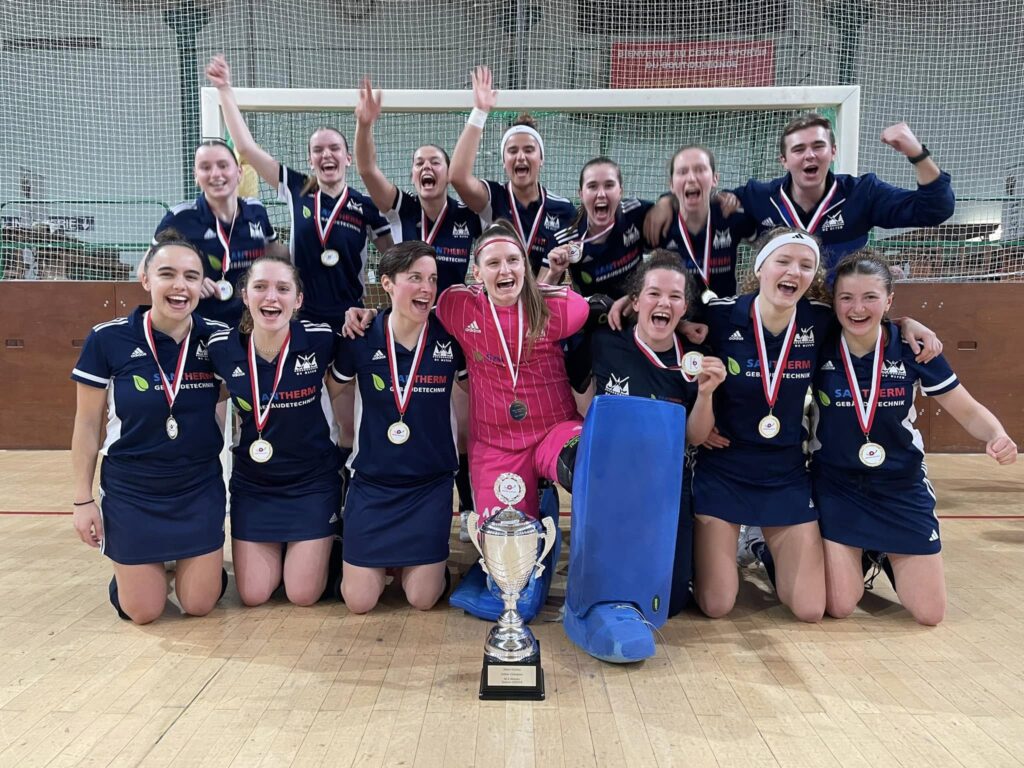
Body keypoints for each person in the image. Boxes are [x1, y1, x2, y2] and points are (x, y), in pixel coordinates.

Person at [811, 251, 1017, 625]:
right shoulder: (819, 344)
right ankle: (860, 551)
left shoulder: (912, 349)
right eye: (847, 298)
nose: (858, 308)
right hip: (838, 485)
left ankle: (883, 551)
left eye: (870, 297)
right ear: (834, 301)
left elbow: (967, 410)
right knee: (839, 606)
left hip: (900, 485)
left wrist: (996, 434)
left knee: (929, 614)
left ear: (889, 300)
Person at [206, 54, 392, 453]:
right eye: (318, 150)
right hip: (298, 319)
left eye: (334, 148)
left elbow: (394, 259)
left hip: (347, 321)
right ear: (310, 159)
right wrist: (225, 90)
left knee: (346, 423)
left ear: (347, 157)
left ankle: (342, 485)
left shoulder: (364, 206)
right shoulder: (297, 188)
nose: (326, 155)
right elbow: (246, 147)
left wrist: (384, 308)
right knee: (292, 412)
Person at [70, 232, 227, 624]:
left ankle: (194, 566)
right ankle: (132, 573)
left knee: (199, 604)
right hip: (133, 488)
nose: (180, 286)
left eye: (191, 277)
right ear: (146, 279)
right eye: (167, 274)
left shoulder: (217, 337)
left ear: (202, 285)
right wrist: (82, 501)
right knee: (143, 612)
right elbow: (87, 424)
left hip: (197, 485)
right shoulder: (108, 338)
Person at [353, 78, 480, 539]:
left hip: (452, 329)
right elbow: (366, 168)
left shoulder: (467, 216)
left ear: (446, 173)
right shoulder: (400, 208)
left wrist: (478, 113)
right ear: (412, 176)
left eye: (435, 162)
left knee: (461, 425)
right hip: (406, 328)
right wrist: (365, 125)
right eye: (419, 162)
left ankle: (469, 507)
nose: (427, 167)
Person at [587, 251, 726, 616]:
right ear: (635, 301)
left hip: (668, 489)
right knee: (609, 589)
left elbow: (696, 437)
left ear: (684, 308)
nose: (664, 302)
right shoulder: (605, 342)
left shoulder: (697, 359)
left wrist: (706, 393)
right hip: (613, 487)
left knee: (670, 602)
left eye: (675, 296)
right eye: (654, 293)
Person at [330, 242, 464, 612]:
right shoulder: (360, 337)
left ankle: (423, 566)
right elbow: (328, 389)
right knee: (359, 601)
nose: (427, 288)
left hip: (429, 485)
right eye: (415, 278)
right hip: (373, 484)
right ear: (387, 283)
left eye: (432, 279)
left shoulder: (450, 336)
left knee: (422, 599)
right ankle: (354, 552)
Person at [206, 256, 346, 607]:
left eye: (283, 289)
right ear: (245, 295)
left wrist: (366, 314)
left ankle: (331, 541)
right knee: (253, 595)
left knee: (302, 594)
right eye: (261, 287)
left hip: (312, 481)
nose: (271, 297)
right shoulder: (221, 347)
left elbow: (360, 352)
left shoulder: (321, 339)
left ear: (298, 300)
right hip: (255, 485)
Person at [434, 219, 591, 522]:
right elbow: (416, 313)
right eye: (493, 263)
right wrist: (370, 316)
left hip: (554, 431)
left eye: (513, 261)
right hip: (496, 446)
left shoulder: (559, 308)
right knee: (505, 544)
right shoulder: (457, 307)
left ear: (525, 267)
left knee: (595, 465)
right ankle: (539, 505)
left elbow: (591, 311)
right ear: (477, 273)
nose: (505, 270)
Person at [731, 114, 955, 272]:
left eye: (818, 146)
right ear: (784, 161)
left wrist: (917, 153)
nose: (809, 155)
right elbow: (711, 220)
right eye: (798, 149)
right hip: (779, 316)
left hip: (841, 315)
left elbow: (935, 209)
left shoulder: (862, 194)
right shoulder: (757, 198)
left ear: (833, 152)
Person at [449, 66, 576, 274]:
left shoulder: (562, 209)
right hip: (500, 292)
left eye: (529, 150)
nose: (521, 157)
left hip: (544, 292)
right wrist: (480, 112)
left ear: (541, 159)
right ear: (503, 161)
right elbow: (457, 176)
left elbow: (555, 272)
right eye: (512, 150)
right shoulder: (494, 197)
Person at [154, 137, 278, 326]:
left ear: (239, 172)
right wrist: (188, 280)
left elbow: (274, 252)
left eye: (223, 165)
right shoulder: (179, 217)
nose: (215, 174)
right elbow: (146, 269)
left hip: (251, 325)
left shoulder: (257, 211)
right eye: (205, 167)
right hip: (200, 327)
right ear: (196, 176)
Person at [651, 145, 757, 304]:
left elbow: (762, 240)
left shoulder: (730, 214)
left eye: (700, 170)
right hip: (676, 313)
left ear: (715, 178)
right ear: (671, 184)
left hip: (724, 311)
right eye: (682, 172)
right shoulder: (659, 221)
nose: (691, 178)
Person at [537, 157, 651, 299]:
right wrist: (554, 273)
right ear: (581, 194)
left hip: (635, 306)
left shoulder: (638, 212)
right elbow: (538, 297)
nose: (601, 194)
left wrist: (666, 200)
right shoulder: (563, 239)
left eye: (609, 185)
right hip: (591, 310)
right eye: (592, 186)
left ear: (620, 191)